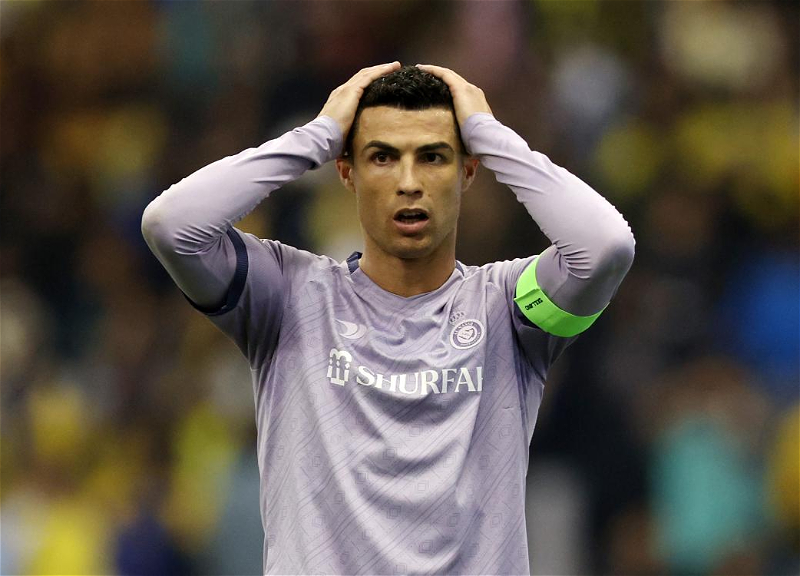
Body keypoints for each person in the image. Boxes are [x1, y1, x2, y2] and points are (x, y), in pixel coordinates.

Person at [142, 61, 635, 575]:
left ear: (468, 171)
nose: (408, 182)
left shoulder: (509, 308)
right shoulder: (287, 296)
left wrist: (491, 137)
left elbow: (605, 247)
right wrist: (316, 136)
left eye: (433, 157)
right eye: (382, 157)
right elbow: (171, 225)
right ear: (346, 171)